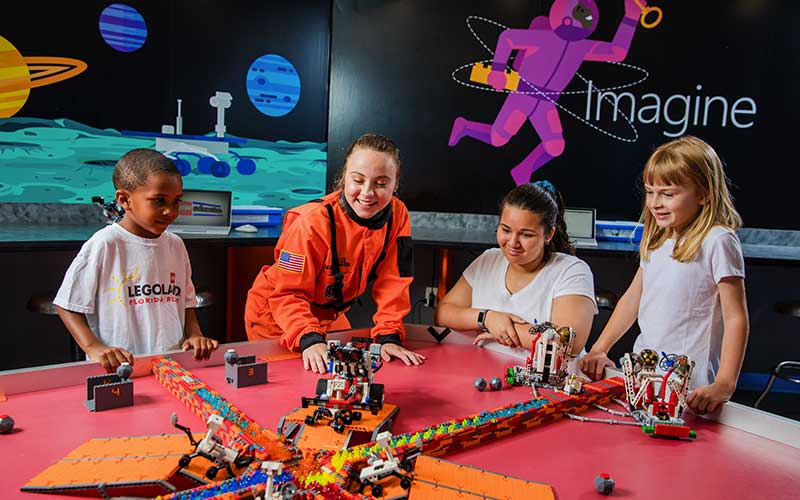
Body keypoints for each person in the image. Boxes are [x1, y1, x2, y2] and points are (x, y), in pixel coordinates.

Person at [580, 136, 749, 414]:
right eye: (650, 192)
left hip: (691, 387)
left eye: (668, 194)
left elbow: (736, 317)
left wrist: (724, 384)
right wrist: (599, 348)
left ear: (704, 193)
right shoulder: (657, 237)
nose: (655, 203)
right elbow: (633, 299)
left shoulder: (718, 240)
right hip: (644, 376)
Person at [245, 133, 425, 373]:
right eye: (358, 180)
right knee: (297, 385)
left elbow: (395, 281)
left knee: (345, 374)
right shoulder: (309, 223)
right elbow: (287, 293)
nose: (367, 193)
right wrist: (308, 338)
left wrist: (388, 337)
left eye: (381, 183)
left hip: (329, 314)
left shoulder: (397, 215)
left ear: (395, 184)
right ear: (344, 180)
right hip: (277, 314)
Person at [54, 149, 219, 372]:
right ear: (124, 199)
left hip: (171, 364)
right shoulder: (105, 243)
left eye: (176, 201)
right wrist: (94, 347)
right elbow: (67, 304)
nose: (170, 211)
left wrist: (195, 335)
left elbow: (186, 302)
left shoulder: (176, 245)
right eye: (158, 201)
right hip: (120, 368)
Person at [434, 181, 596, 357]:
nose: (512, 242)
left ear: (548, 234)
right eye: (506, 230)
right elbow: (443, 312)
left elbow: (567, 341)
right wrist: (486, 318)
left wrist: (502, 330)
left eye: (526, 235)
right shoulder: (488, 259)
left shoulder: (572, 271)